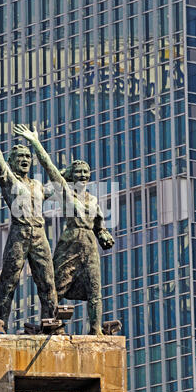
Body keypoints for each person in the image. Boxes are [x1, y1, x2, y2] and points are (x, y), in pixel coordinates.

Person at [0, 95, 58, 332]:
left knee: (48, 282)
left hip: (39, 234)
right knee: (9, 282)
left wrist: (36, 144)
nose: (26, 160)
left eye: (28, 157)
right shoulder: (8, 180)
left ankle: (51, 325)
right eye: (21, 157)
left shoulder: (37, 185)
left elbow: (59, 179)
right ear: (12, 162)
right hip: (19, 232)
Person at [13, 124, 114, 335]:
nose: (83, 174)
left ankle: (96, 330)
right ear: (71, 174)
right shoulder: (67, 193)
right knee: (55, 287)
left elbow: (99, 225)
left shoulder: (94, 199)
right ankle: (50, 325)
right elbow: (50, 168)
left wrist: (103, 234)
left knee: (95, 290)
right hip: (70, 243)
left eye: (86, 171)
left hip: (89, 245)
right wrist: (35, 142)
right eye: (78, 171)